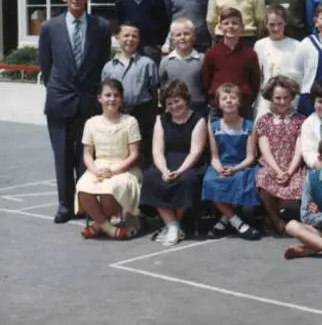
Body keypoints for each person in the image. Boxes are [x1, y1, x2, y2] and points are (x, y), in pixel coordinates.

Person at [39, 0, 112, 223]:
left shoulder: (100, 26)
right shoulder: (49, 27)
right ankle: (64, 206)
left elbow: (102, 61)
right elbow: (46, 66)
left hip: (88, 101)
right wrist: (60, 88)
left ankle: (83, 204)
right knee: (62, 156)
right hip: (60, 100)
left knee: (86, 156)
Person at [140, 80, 207, 246]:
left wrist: (179, 171)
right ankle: (173, 225)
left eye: (177, 101)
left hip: (189, 163)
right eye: (169, 103)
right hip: (166, 162)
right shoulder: (161, 120)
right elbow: (157, 150)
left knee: (187, 180)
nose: (174, 106)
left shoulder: (199, 120)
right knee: (150, 177)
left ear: (186, 99)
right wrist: (163, 169)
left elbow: (195, 152)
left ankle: (172, 226)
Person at [75, 80, 143, 240]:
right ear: (99, 98)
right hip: (99, 167)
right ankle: (109, 228)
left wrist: (114, 171)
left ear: (121, 98)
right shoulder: (91, 123)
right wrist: (95, 170)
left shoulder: (130, 122)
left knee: (109, 189)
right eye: (107, 95)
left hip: (124, 167)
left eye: (116, 95)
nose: (112, 99)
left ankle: (97, 226)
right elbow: (87, 153)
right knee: (83, 187)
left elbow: (134, 154)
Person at [202, 84, 262, 240]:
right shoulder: (214, 127)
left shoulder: (249, 126)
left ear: (239, 102)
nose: (229, 101)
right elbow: (214, 157)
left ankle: (224, 221)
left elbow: (250, 157)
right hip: (222, 164)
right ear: (219, 103)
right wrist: (220, 169)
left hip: (242, 166)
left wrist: (235, 169)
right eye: (224, 98)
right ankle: (238, 223)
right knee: (211, 181)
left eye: (233, 98)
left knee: (242, 180)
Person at [101, 22, 159, 168]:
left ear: (139, 40)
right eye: (126, 35)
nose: (130, 39)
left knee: (143, 153)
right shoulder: (109, 66)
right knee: (120, 151)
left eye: (134, 36)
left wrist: (152, 115)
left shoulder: (147, 64)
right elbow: (105, 94)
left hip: (142, 114)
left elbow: (154, 91)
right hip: (118, 113)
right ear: (117, 38)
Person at [255, 76, 306, 236]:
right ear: (271, 97)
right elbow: (265, 149)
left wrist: (289, 172)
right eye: (278, 98)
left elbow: (299, 150)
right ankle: (277, 220)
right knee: (262, 179)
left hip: (293, 165)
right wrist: (277, 171)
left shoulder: (300, 120)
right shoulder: (264, 120)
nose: (282, 101)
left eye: (286, 97)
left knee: (301, 184)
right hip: (272, 165)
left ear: (292, 97)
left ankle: (271, 217)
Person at [202, 7, 260, 121]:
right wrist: (214, 99)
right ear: (220, 27)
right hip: (218, 108)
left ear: (242, 27)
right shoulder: (211, 53)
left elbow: (255, 81)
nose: (230, 26)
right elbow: (205, 80)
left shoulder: (250, 54)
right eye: (226, 23)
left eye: (235, 23)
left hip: (243, 108)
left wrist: (246, 99)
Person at [253, 4, 300, 118]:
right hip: (266, 101)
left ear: (285, 23)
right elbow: (258, 76)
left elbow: (299, 77)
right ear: (266, 25)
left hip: (289, 101)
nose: (276, 28)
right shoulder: (260, 45)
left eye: (279, 24)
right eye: (272, 25)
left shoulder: (296, 45)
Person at [159, 18, 207, 116]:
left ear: (194, 36)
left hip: (198, 108)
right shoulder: (166, 61)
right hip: (174, 110)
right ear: (172, 39)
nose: (182, 37)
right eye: (178, 35)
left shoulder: (202, 59)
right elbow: (163, 84)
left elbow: (207, 84)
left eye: (186, 34)